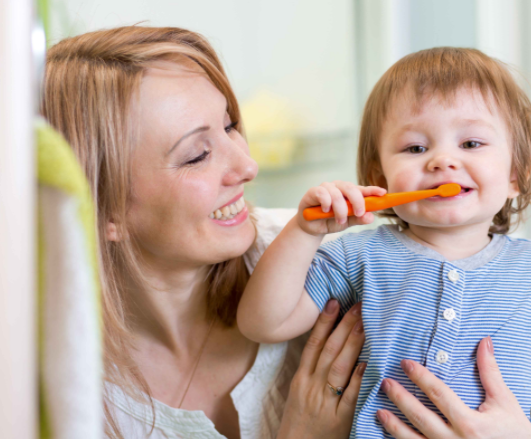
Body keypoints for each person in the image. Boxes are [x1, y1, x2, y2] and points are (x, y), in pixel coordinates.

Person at [237, 47, 531, 438]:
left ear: (515, 173)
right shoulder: (356, 256)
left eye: (471, 144)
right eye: (416, 148)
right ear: (380, 175)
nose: (442, 160)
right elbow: (263, 323)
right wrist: (303, 231)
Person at [41, 26, 368, 439]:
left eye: (230, 127)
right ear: (105, 210)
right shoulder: (48, 381)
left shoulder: (333, 265)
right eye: (197, 155)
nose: (248, 167)